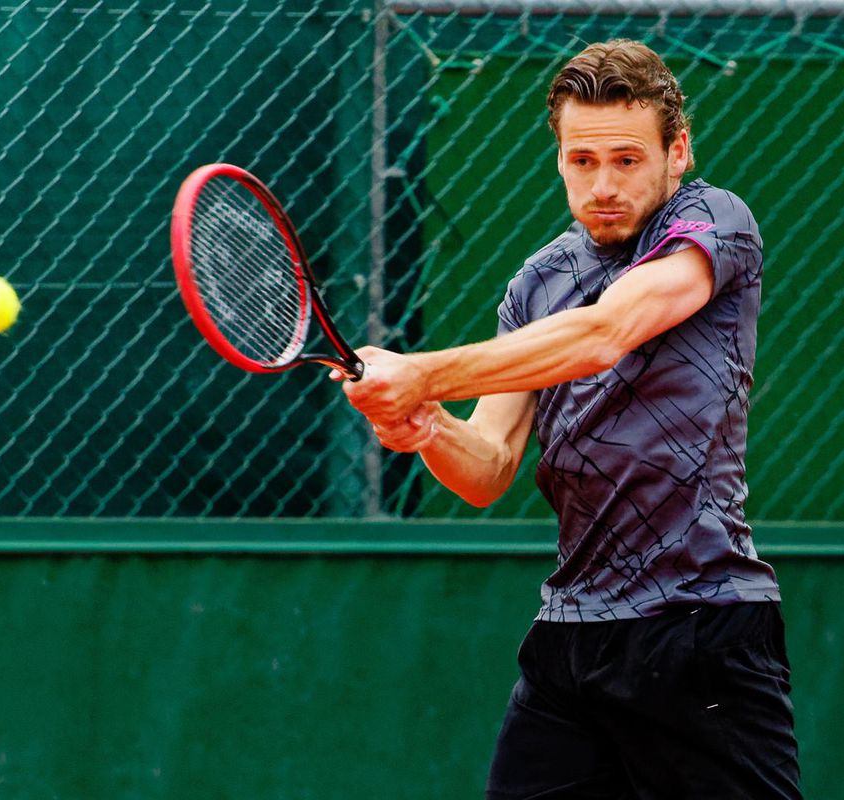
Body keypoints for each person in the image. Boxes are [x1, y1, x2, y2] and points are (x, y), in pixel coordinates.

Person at [336, 39, 801, 799]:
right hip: (571, 639)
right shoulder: (539, 282)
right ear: (559, 158)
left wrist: (420, 371)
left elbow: (603, 335)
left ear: (676, 151)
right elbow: (487, 468)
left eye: (627, 159)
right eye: (582, 161)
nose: (604, 184)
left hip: (700, 628)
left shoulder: (715, 224)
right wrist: (424, 425)